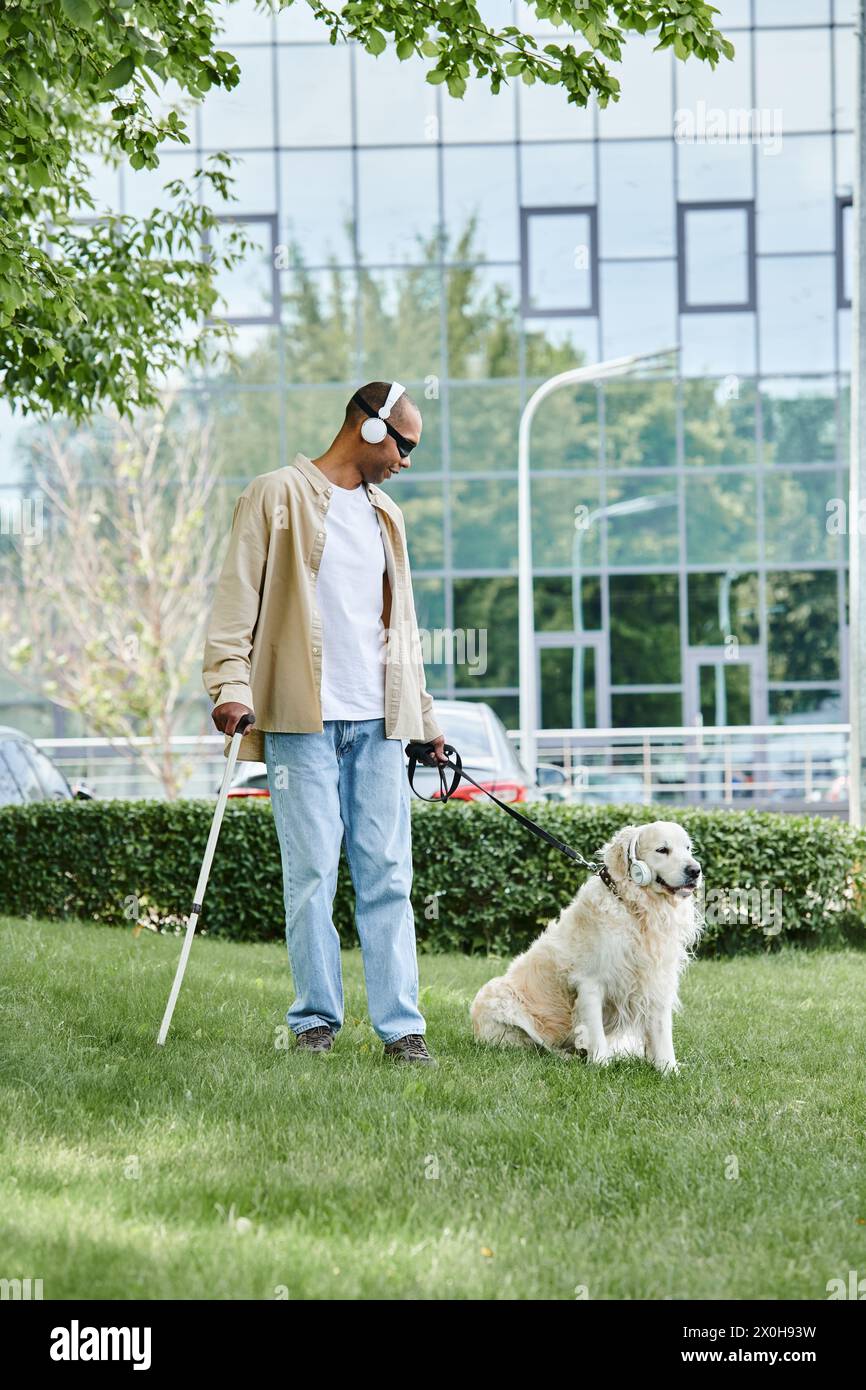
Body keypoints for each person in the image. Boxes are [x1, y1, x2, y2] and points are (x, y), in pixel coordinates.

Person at [202, 381, 446, 1065]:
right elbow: (233, 603)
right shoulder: (274, 495)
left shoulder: (387, 516)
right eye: (403, 444)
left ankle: (403, 1029)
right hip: (299, 722)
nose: (406, 460)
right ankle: (315, 1019)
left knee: (388, 875)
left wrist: (424, 721)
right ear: (369, 430)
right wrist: (228, 684)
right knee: (310, 873)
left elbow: (403, 631)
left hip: (377, 725)